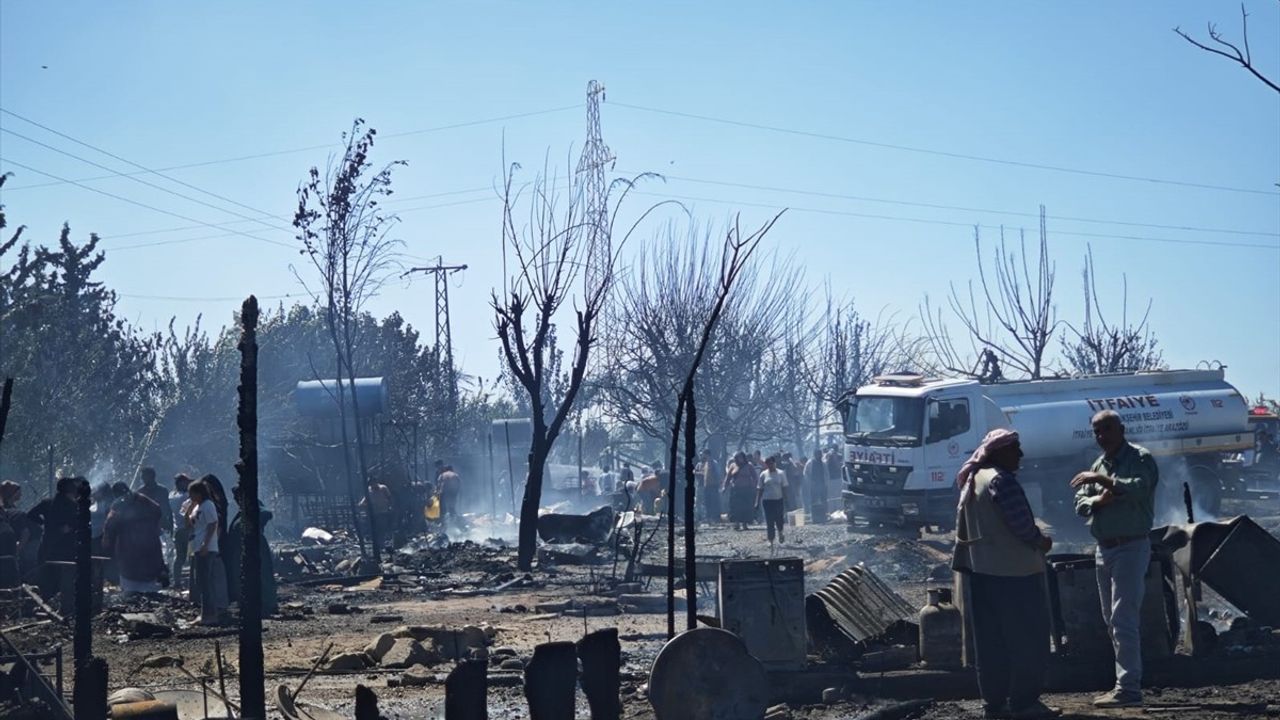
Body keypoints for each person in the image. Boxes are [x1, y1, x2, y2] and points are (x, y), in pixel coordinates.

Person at [952, 429, 1058, 720]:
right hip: (1016, 575)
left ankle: (994, 703)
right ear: (999, 452)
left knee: (991, 644)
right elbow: (1022, 528)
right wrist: (1042, 541)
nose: (1020, 455)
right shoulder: (1002, 481)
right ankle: (1024, 703)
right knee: (1027, 641)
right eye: (1015, 449)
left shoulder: (974, 480)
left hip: (982, 574)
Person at [1072, 410, 1158, 709]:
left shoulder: (1139, 458)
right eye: (1097, 431)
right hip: (1104, 548)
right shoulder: (1099, 465)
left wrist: (1103, 481)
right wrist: (1098, 498)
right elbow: (1080, 503)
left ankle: (1129, 687)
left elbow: (1138, 488)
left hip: (1131, 546)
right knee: (1112, 619)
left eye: (1107, 430)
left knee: (1123, 619)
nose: (1102, 436)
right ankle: (1124, 683)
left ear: (1121, 429)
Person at [102, 483, 166, 595]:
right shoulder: (137, 500)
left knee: (136, 564)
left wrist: (107, 537)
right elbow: (157, 511)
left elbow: (110, 522)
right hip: (142, 539)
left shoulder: (124, 502)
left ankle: (138, 591)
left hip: (132, 540)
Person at [225, 485, 278, 615]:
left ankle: (267, 605)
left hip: (256, 547)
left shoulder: (254, 506)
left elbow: (266, 513)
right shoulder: (241, 512)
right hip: (241, 550)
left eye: (238, 497)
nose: (237, 500)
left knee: (262, 575)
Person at [27, 476, 79, 598]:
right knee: (63, 576)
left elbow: (31, 514)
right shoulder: (72, 506)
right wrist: (70, 528)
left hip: (47, 544)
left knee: (47, 574)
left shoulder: (47, 502)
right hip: (66, 547)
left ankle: (46, 598)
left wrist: (44, 523)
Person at [186, 479, 229, 625]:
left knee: (205, 582)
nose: (189, 496)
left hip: (207, 548)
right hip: (198, 546)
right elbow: (189, 523)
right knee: (201, 582)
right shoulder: (198, 507)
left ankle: (210, 615)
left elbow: (213, 524)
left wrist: (205, 544)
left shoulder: (208, 505)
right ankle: (205, 614)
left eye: (191, 494)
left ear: (199, 493)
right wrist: (190, 507)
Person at [755, 455, 789, 547]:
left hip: (778, 500)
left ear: (775, 463)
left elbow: (784, 487)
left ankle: (781, 532)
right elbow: (760, 488)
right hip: (767, 501)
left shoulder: (781, 473)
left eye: (771, 463)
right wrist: (757, 501)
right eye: (768, 464)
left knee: (779, 519)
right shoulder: (763, 474)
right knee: (769, 521)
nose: (770, 465)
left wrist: (787, 500)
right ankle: (770, 539)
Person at [724, 452, 758, 530]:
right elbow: (728, 477)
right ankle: (736, 523)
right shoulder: (733, 466)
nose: (740, 459)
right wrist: (724, 487)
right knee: (736, 508)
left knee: (746, 507)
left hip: (746, 490)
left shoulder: (749, 466)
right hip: (736, 490)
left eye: (741, 457)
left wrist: (754, 485)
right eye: (738, 458)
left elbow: (755, 477)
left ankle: (745, 524)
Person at [169, 474, 192, 590]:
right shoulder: (186, 497)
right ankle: (192, 580)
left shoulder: (172, 495)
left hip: (177, 530)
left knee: (179, 557)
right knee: (191, 556)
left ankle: (176, 580)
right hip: (187, 529)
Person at [699, 451, 723, 523]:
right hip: (707, 486)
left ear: (707, 454)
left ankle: (715, 518)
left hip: (713, 486)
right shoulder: (706, 463)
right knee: (707, 502)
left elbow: (718, 474)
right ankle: (708, 518)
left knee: (714, 502)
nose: (703, 456)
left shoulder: (714, 463)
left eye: (704, 454)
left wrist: (718, 483)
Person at [805, 450, 827, 522]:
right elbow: (806, 473)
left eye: (820, 455)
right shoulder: (810, 463)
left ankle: (823, 516)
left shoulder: (823, 463)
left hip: (822, 485)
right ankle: (814, 518)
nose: (820, 456)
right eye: (818, 454)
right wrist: (810, 482)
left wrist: (826, 484)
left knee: (823, 500)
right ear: (815, 455)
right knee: (813, 501)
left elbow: (826, 474)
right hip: (813, 485)